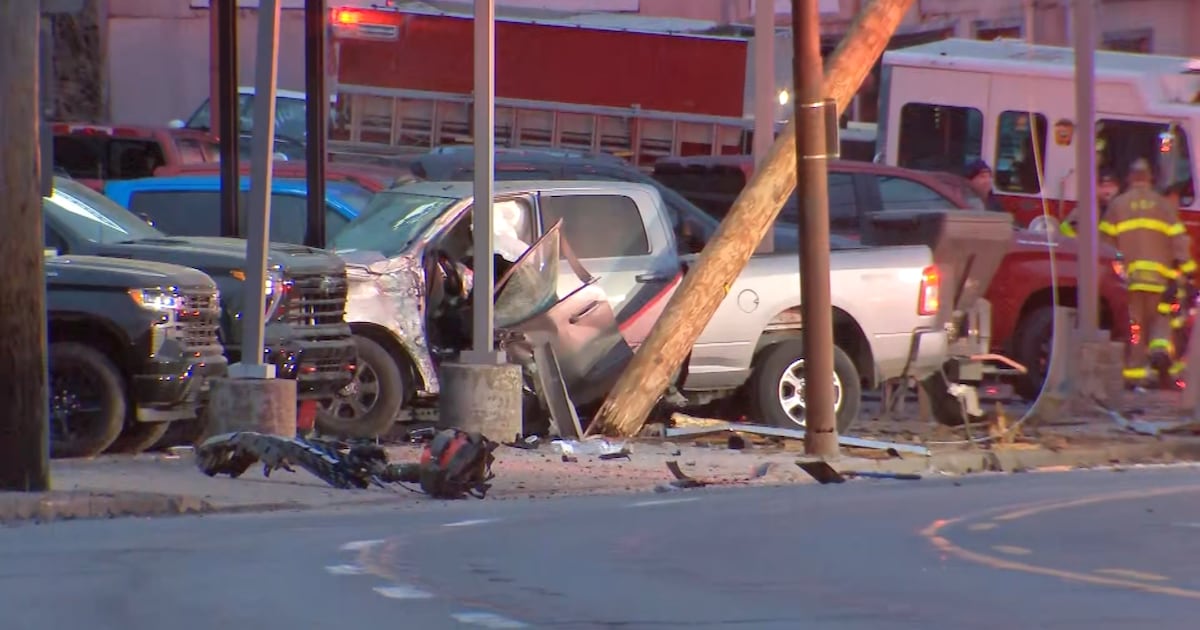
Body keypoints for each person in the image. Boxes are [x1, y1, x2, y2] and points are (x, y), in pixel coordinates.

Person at [1100, 158, 1197, 387]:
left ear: (1130, 178)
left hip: (1130, 283)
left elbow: (1104, 245)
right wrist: (1188, 274)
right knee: (1161, 323)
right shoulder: (1163, 206)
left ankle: (1135, 376)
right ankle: (1161, 361)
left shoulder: (1117, 206)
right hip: (1160, 281)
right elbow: (1179, 242)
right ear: (1150, 178)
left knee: (1135, 329)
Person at [1059, 169, 1120, 237]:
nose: (1108, 191)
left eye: (1111, 186)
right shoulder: (1085, 209)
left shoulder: (1116, 208)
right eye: (1104, 186)